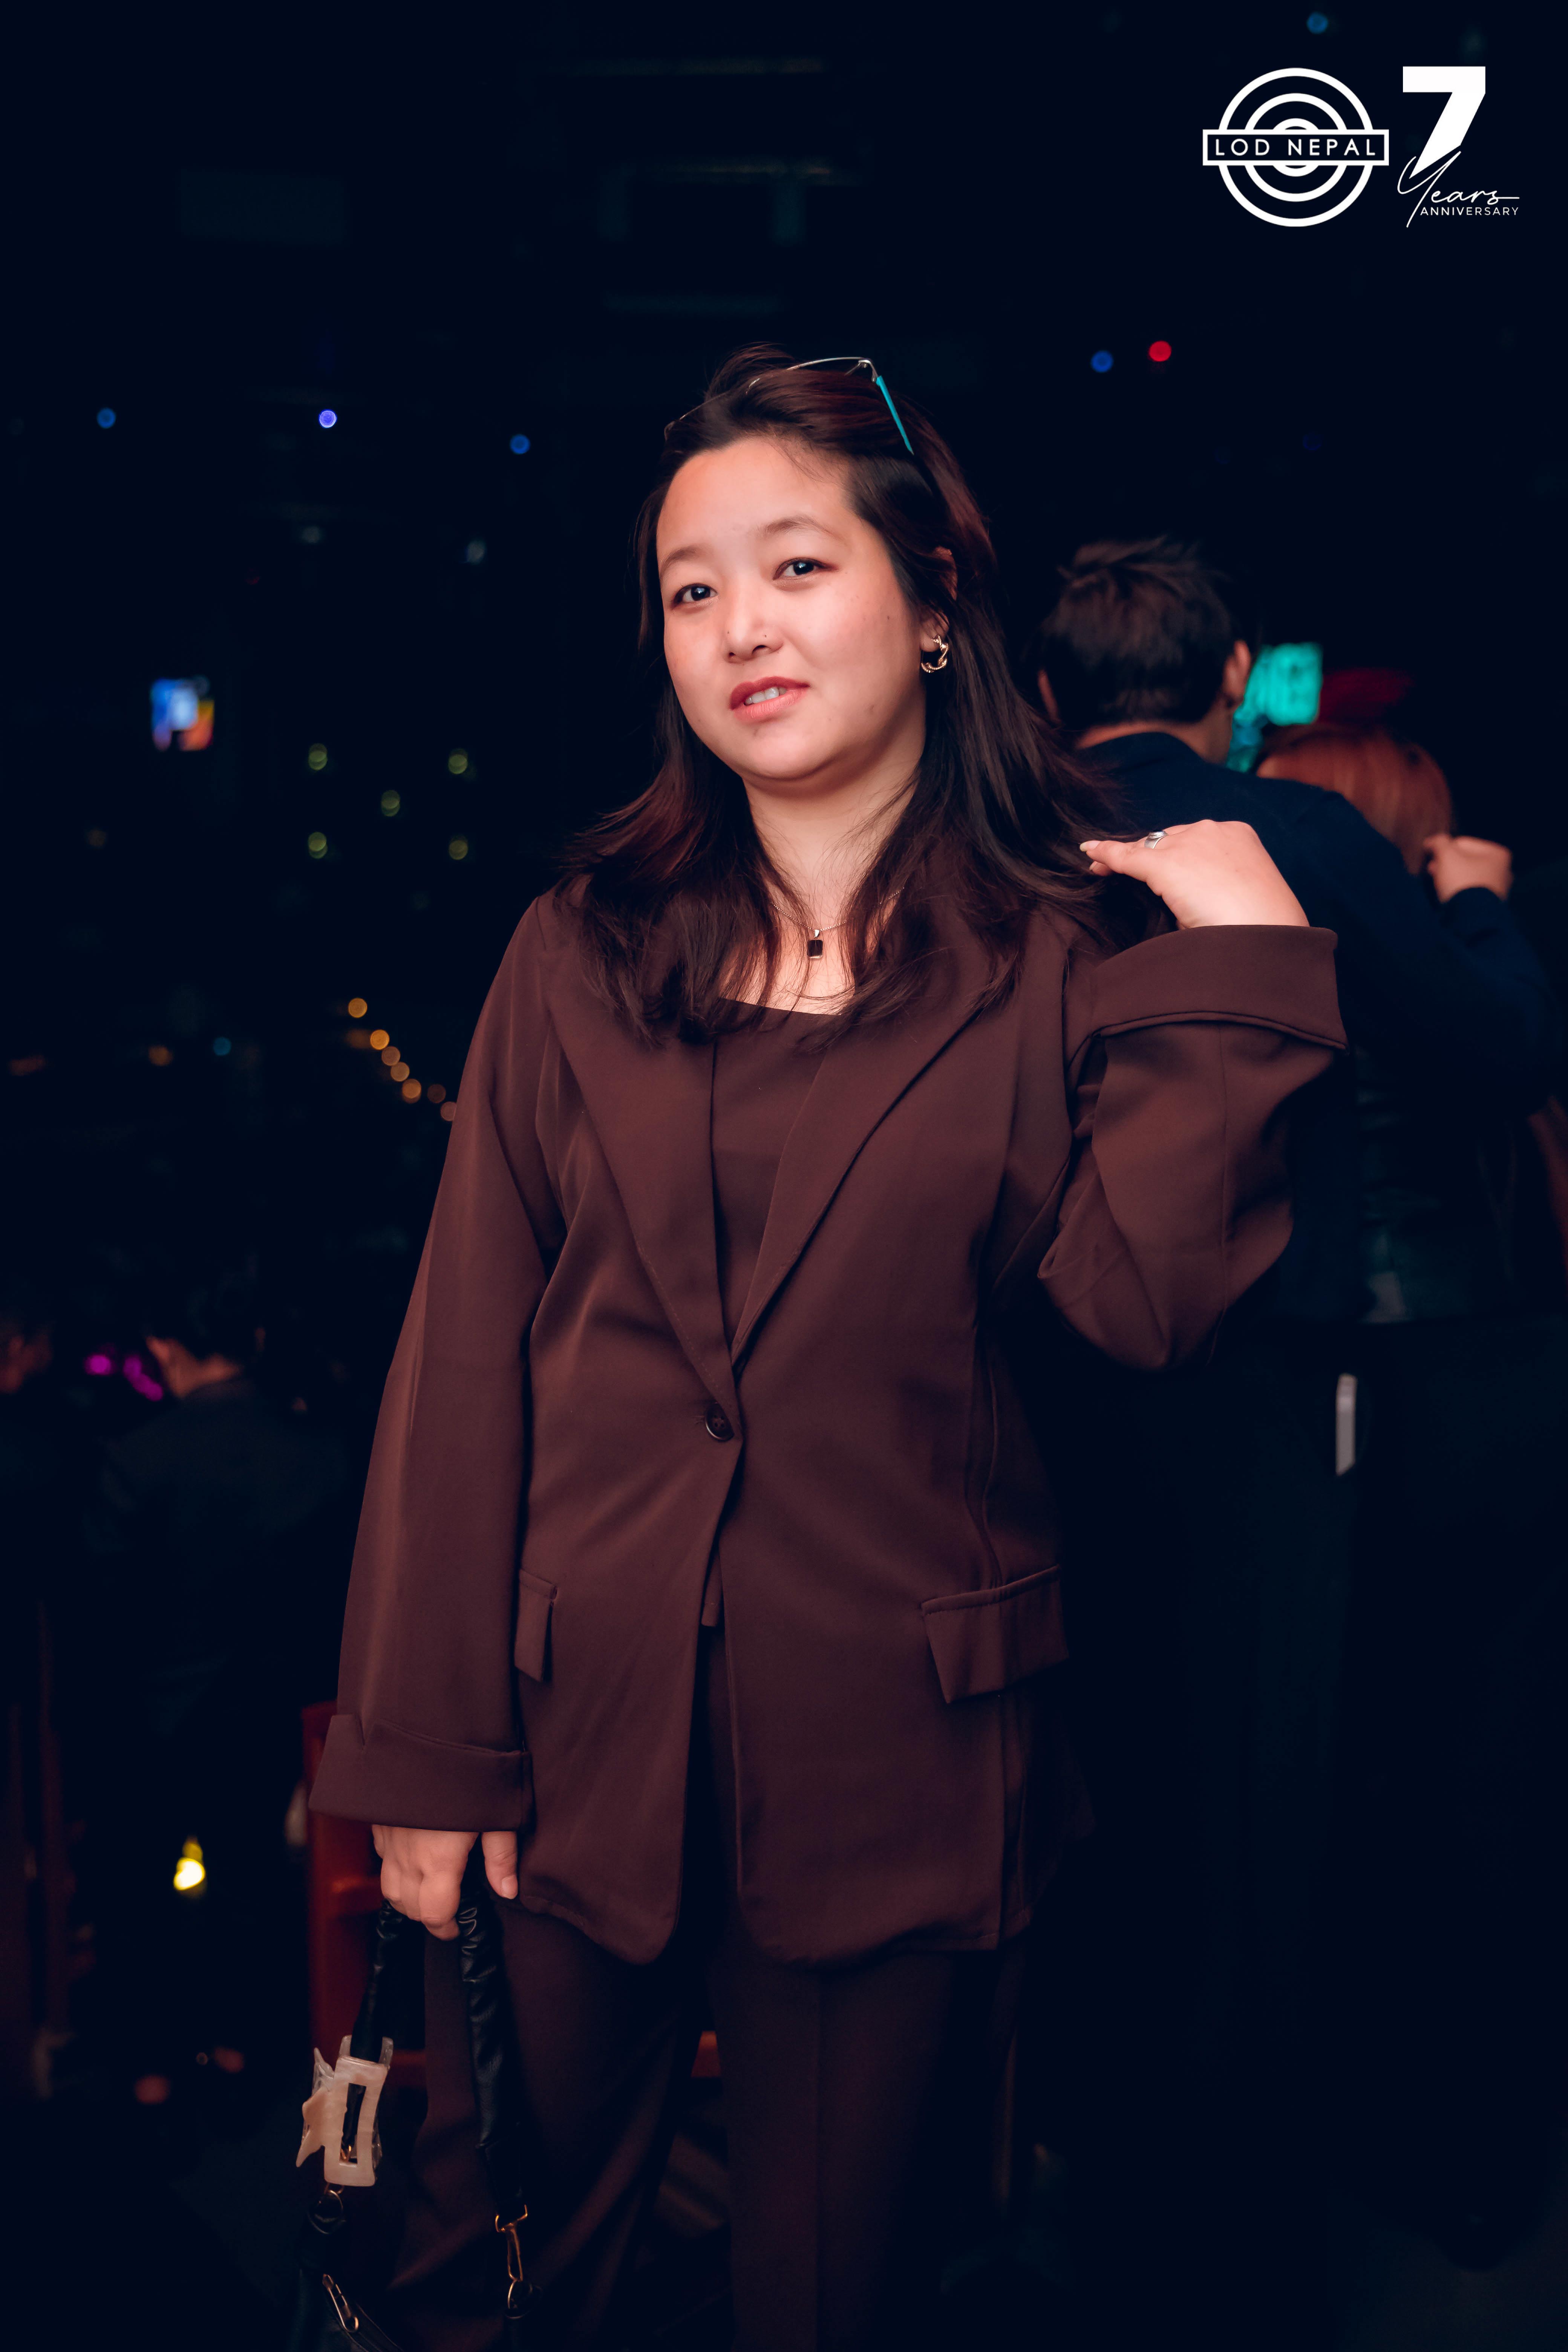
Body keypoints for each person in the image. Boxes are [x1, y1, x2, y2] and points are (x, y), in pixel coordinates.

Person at [311, 348, 1343, 2352]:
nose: (739, 629)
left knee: (829, 2309)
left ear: (935, 600)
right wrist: (424, 1753)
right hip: (567, 1751)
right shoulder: (580, 943)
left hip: (908, 1765)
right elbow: (461, 1361)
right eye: (690, 590)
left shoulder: (1065, 953)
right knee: (483, 2281)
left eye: (795, 567)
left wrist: (1233, 963)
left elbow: (1146, 1307)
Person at [1026, 540, 1560, 2340]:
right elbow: (1495, 1049)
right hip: (1265, 1378)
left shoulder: (991, 840)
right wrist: (1475, 906)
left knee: (1090, 1774)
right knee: (1258, 1793)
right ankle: (1248, 2227)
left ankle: (1083, 2186)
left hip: (1030, 1379)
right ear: (1237, 676)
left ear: (1044, 692)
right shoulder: (1291, 835)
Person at [1255, 720, 1568, 2265]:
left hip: (1360, 1393)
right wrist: (1478, 901)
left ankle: (1372, 2134)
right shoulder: (1442, 945)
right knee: (1482, 1769)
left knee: (1351, 1768)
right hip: (1486, 1375)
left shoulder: (1296, 939)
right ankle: (1466, 2156)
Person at [85, 1254, 348, 2126]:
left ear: (164, 1347)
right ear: (257, 1339)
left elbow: (104, 1608)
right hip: (267, 1715)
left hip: (149, 1717)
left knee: (136, 1894)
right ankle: (242, 2058)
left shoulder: (136, 1458)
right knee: (252, 1884)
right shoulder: (320, 1455)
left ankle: (151, 2077)